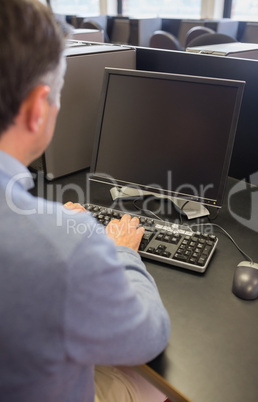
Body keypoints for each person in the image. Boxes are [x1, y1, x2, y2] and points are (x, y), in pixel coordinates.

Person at [0, 1, 170, 401]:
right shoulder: (68, 250)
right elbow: (151, 334)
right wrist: (122, 252)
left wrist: (45, 222)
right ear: (35, 109)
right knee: (156, 385)